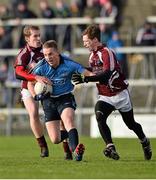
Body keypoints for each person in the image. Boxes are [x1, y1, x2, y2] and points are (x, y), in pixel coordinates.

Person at [72, 24, 152, 160]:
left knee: (130, 124)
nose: (84, 44)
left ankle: (145, 141)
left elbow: (106, 75)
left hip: (120, 94)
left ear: (95, 40)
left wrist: (85, 79)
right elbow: (93, 71)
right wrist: (75, 70)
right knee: (99, 116)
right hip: (105, 96)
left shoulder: (106, 52)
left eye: (86, 41)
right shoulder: (92, 56)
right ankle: (110, 147)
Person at [27, 40, 93, 161]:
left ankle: (76, 151)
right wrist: (35, 96)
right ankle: (71, 137)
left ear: (57, 52)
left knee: (68, 121)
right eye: (45, 55)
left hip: (65, 98)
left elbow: (88, 73)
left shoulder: (69, 63)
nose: (48, 57)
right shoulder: (41, 67)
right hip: (48, 102)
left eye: (51, 54)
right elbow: (29, 83)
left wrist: (93, 78)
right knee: (55, 139)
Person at [14, 25, 72, 159]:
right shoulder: (24, 54)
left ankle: (67, 149)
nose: (38, 38)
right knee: (33, 113)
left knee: (62, 116)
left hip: (49, 85)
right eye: (35, 36)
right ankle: (43, 146)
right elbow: (18, 73)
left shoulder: (46, 49)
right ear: (27, 38)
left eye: (39, 35)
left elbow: (62, 61)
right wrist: (35, 77)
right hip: (29, 86)